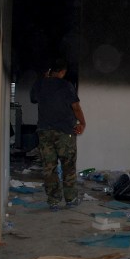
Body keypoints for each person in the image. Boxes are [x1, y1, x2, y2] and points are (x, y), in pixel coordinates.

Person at [30, 59, 86, 211]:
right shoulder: (66, 85)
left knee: (49, 167)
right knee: (68, 166)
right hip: (65, 132)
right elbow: (76, 107)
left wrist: (43, 79)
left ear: (49, 70)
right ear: (62, 72)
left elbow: (33, 99)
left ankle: (53, 201)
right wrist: (82, 123)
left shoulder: (40, 83)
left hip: (44, 132)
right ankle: (71, 199)